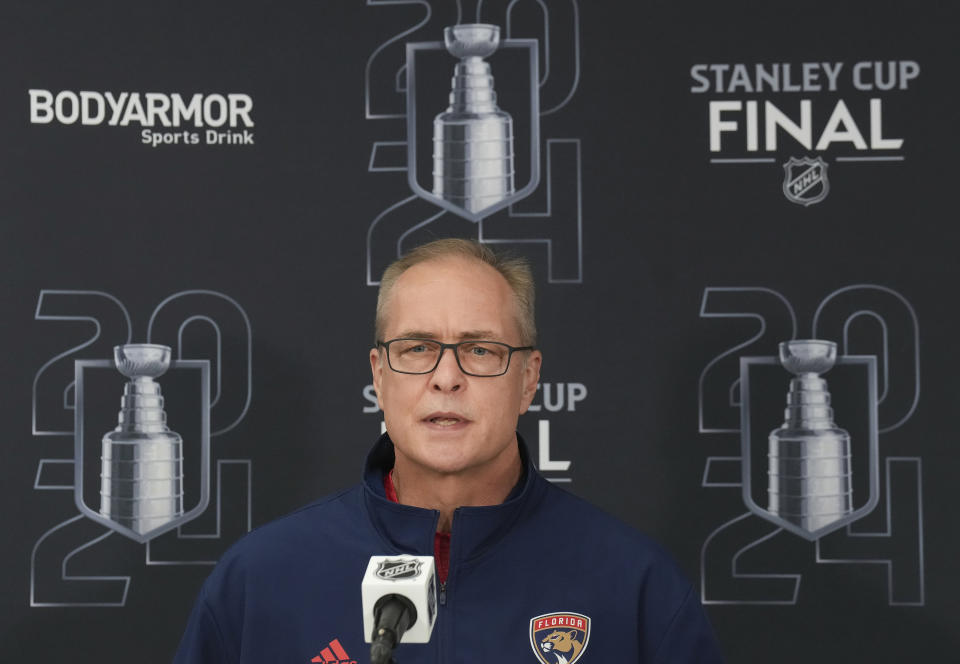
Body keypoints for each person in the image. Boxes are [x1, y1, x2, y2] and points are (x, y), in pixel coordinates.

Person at [173, 239, 724, 663]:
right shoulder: (261, 578)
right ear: (379, 375)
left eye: (480, 350)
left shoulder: (633, 583)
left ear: (529, 380)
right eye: (417, 348)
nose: (446, 378)